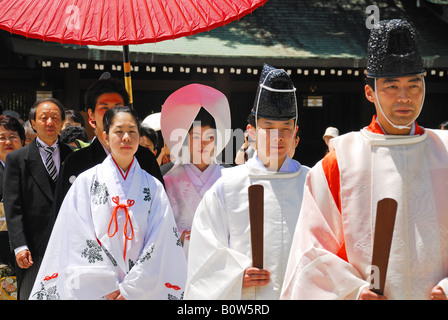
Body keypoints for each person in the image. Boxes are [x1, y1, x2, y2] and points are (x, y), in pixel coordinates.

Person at [280, 19, 448, 300]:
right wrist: (354, 291)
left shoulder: (445, 150)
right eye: (392, 87)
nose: (405, 97)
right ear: (370, 92)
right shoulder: (340, 161)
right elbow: (311, 251)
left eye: (414, 86)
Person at [29, 106, 186, 300]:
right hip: (96, 290)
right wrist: (105, 285)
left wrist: (133, 287)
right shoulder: (85, 182)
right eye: (119, 131)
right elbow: (75, 233)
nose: (126, 137)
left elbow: (161, 238)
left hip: (142, 289)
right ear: (105, 136)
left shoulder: (153, 186)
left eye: (132, 131)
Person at [185, 64, 309, 300]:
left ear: (295, 132)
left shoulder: (311, 183)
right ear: (252, 131)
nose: (278, 136)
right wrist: (234, 276)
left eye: (286, 128)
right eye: (268, 127)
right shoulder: (228, 186)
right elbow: (204, 251)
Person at [47, 76, 164, 251]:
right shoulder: (77, 162)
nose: (112, 114)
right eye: (104, 108)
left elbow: (160, 212)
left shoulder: (145, 159)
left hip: (141, 252)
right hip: (90, 257)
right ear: (91, 115)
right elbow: (64, 217)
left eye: (118, 107)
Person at [3, 98, 73, 299]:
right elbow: (12, 206)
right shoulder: (17, 159)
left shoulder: (73, 155)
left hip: (67, 243)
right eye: (44, 118)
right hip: (33, 247)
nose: (49, 122)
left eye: (55, 118)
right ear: (33, 123)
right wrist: (20, 245)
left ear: (62, 123)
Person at [160, 84, 231, 259]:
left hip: (221, 262)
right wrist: (183, 236)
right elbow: (159, 229)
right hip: (181, 261)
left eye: (210, 137)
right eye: (196, 137)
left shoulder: (230, 179)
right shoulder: (168, 181)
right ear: (185, 141)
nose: (203, 144)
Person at [0, 116, 26, 271]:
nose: (8, 142)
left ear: (23, 141)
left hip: (26, 242)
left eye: (13, 137)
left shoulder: (30, 167)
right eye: (2, 138)